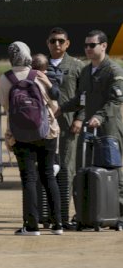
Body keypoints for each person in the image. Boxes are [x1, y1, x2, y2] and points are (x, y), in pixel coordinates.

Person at [60, 29, 123, 230]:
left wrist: (99, 116)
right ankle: (85, 214)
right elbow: (81, 99)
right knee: (83, 169)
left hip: (109, 129)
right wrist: (61, 108)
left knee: (113, 171)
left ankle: (119, 215)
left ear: (103, 46)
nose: (87, 48)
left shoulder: (113, 70)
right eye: (86, 45)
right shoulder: (86, 71)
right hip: (89, 131)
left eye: (92, 45)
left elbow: (117, 98)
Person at [0, 41, 62, 236]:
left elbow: (6, 106)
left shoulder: (5, 78)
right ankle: (57, 224)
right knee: (48, 175)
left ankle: (32, 225)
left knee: (28, 179)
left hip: (20, 134)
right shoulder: (39, 76)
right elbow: (55, 106)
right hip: (46, 132)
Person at [45, 27, 83, 229]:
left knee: (67, 170)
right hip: (45, 127)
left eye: (61, 41)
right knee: (47, 169)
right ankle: (48, 214)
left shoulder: (77, 66)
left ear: (67, 43)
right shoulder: (40, 66)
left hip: (69, 126)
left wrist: (80, 119)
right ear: (47, 43)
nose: (57, 44)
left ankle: (63, 216)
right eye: (53, 41)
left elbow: (84, 96)